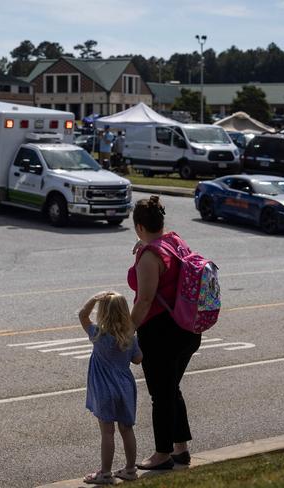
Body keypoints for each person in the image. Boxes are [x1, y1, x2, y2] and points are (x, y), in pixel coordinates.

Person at [127, 195, 201, 471]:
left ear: (139, 226)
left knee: (161, 394)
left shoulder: (149, 256)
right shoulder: (174, 240)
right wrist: (145, 245)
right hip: (188, 330)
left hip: (161, 334)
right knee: (171, 388)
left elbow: (144, 300)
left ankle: (162, 454)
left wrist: (127, 331)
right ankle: (181, 449)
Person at [79, 291, 143, 484]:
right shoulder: (129, 337)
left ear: (103, 313)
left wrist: (93, 298)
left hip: (104, 390)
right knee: (127, 429)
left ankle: (105, 473)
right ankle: (131, 469)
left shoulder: (98, 334)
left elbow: (82, 315)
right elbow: (138, 359)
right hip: (124, 388)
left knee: (107, 432)